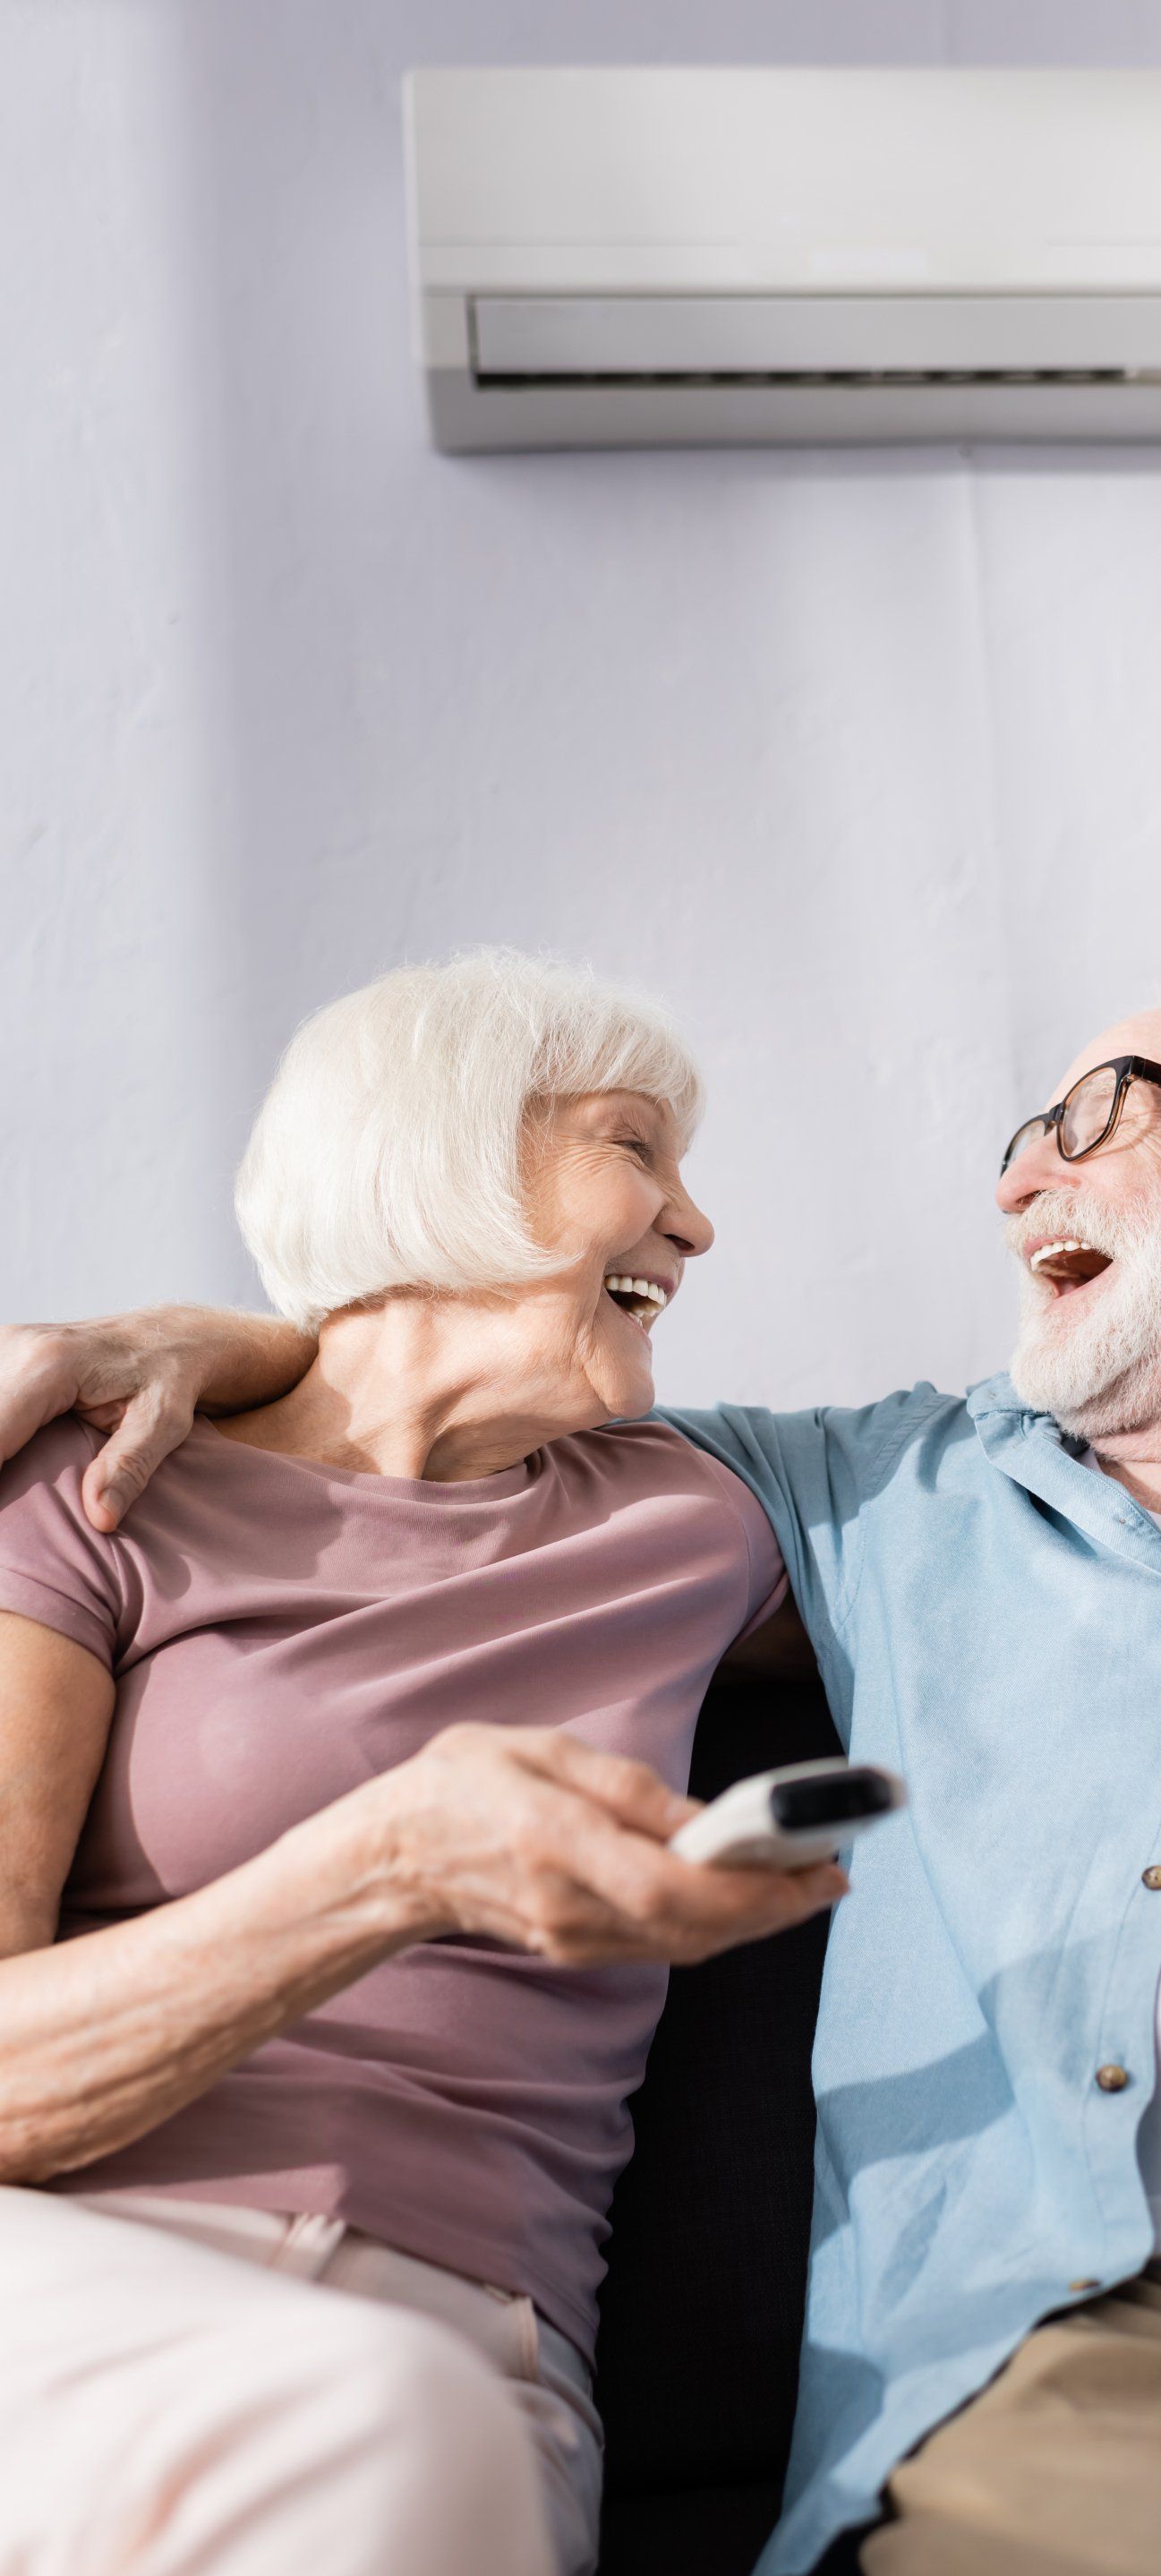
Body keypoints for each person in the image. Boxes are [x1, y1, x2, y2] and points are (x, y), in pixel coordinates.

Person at [10, 981, 1161, 2576]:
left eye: (1097, 1118)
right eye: (1021, 1139)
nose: (1018, 1179)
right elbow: (411, 1401)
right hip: (1097, 2357)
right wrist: (198, 1343)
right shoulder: (883, 1493)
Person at [0, 947, 844, 2576]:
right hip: (66, 2288)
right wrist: (392, 1861)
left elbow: (1079, 1515)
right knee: (372, 2417)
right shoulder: (97, 1490)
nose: (696, 1223)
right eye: (636, 1148)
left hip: (475, 2353)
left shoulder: (694, 1518)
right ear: (444, 1157)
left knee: (405, 2423)